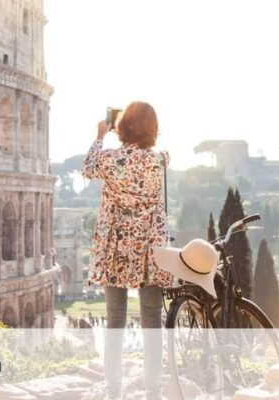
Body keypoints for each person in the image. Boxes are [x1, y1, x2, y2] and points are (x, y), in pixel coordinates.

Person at [82, 101, 171, 400]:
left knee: (115, 320)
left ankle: (113, 391)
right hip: (149, 246)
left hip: (115, 245)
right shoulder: (160, 159)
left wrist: (100, 134)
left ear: (123, 127)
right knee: (151, 320)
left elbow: (87, 168)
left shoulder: (108, 160)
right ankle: (153, 392)